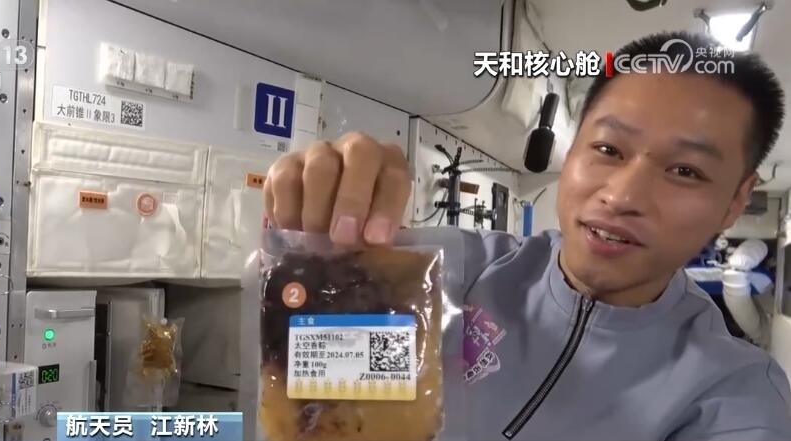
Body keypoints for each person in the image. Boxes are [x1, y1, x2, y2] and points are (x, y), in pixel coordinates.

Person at [261, 30, 791, 440]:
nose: (622, 195)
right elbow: (318, 405)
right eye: (608, 150)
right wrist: (316, 237)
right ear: (572, 150)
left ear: (736, 201)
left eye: (685, 171)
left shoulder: (731, 395)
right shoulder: (446, 274)